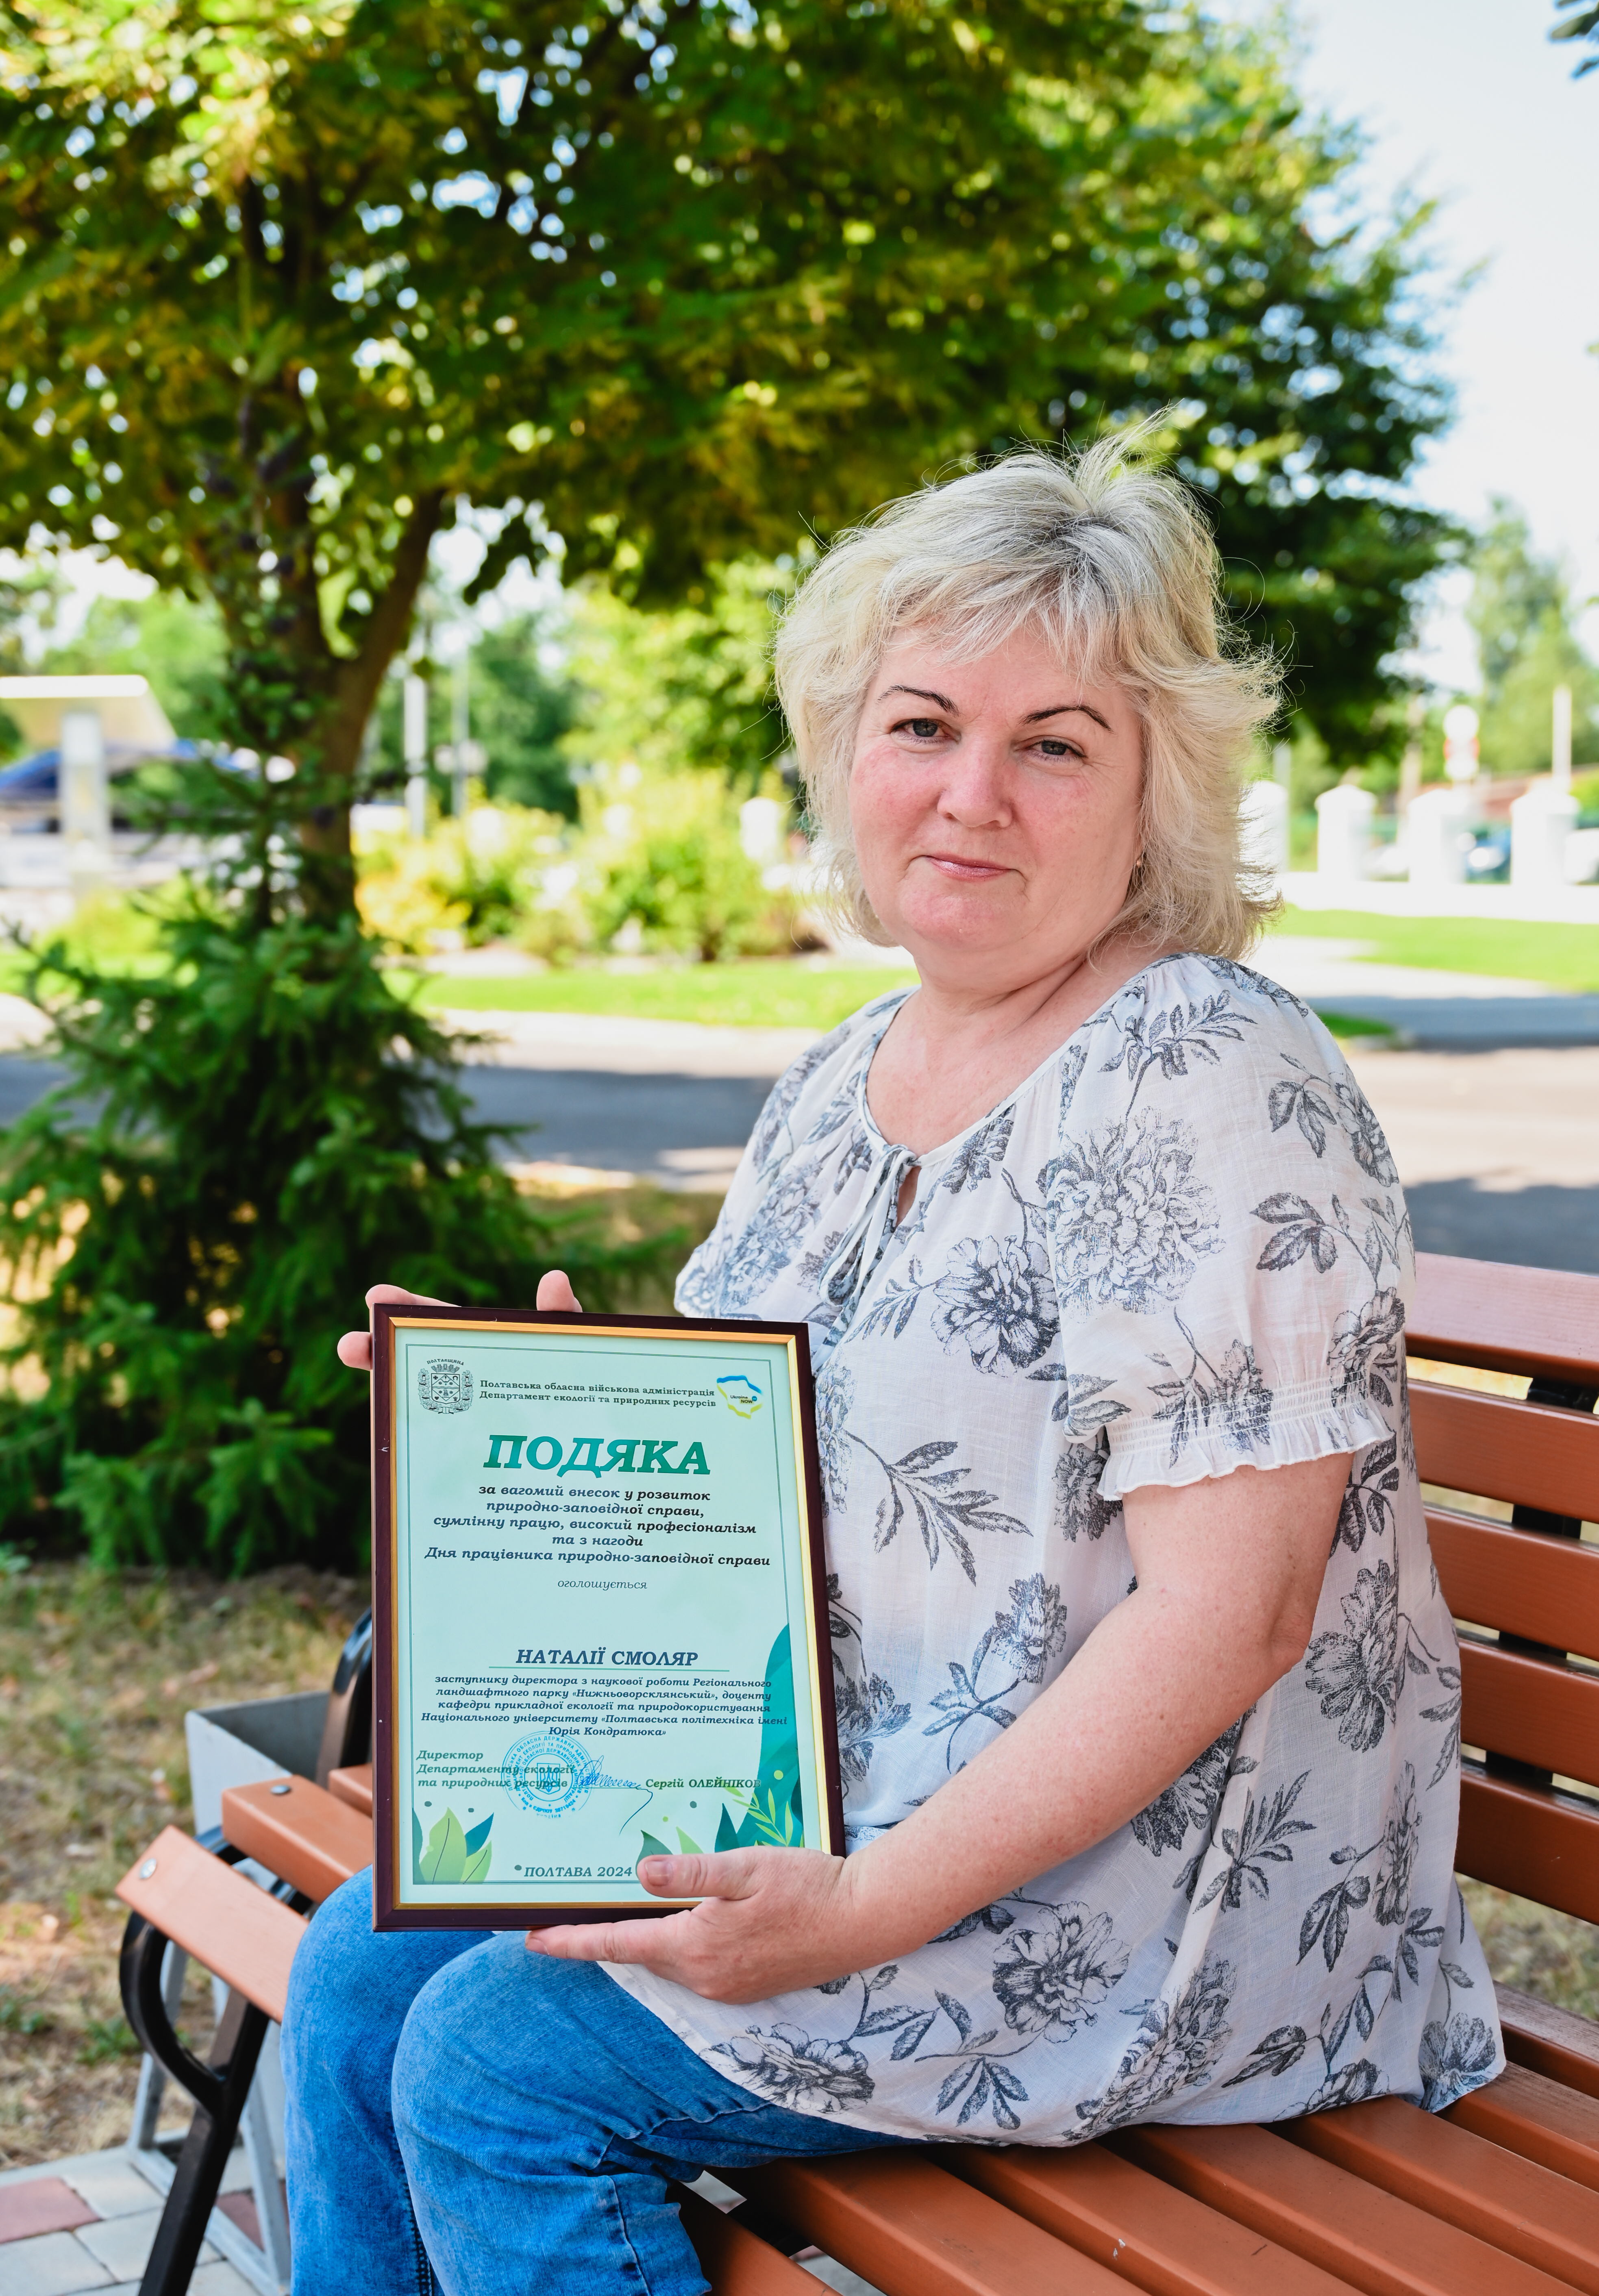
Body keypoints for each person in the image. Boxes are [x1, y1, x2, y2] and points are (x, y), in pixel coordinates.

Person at [282, 430, 1501, 2296]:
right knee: (370, 1962)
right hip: (869, 1797)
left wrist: (863, 1900)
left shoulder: (1205, 1068)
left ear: (1152, 791)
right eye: (924, 724)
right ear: (845, 752)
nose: (973, 795)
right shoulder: (846, 1076)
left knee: (495, 2064)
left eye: (1055, 743)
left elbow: (1233, 1620)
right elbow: (759, 1473)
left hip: (1154, 1899)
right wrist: (532, 1414)